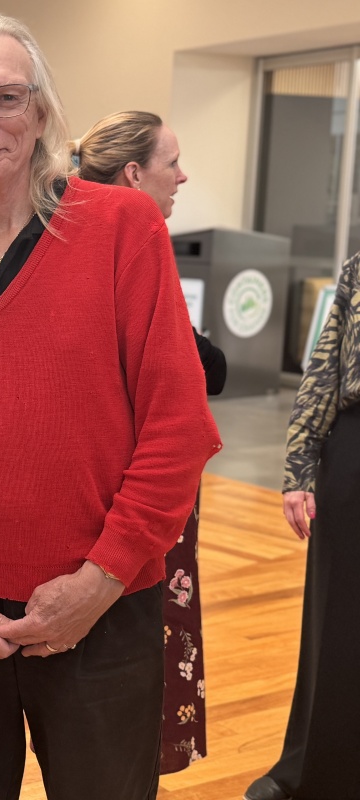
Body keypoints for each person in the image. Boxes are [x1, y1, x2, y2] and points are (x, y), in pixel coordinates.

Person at [0, 14, 222, 799]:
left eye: (6, 98)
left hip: (105, 609)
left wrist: (99, 579)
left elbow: (178, 427)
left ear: (43, 112)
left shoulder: (123, 229)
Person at [75, 110, 227, 772]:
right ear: (134, 175)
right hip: (141, 494)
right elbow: (204, 370)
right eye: (173, 163)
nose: (183, 176)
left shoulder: (65, 236)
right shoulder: (132, 245)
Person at [242, 249, 360, 800]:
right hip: (354, 448)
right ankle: (312, 772)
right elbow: (326, 363)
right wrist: (299, 467)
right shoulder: (359, 266)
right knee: (336, 623)